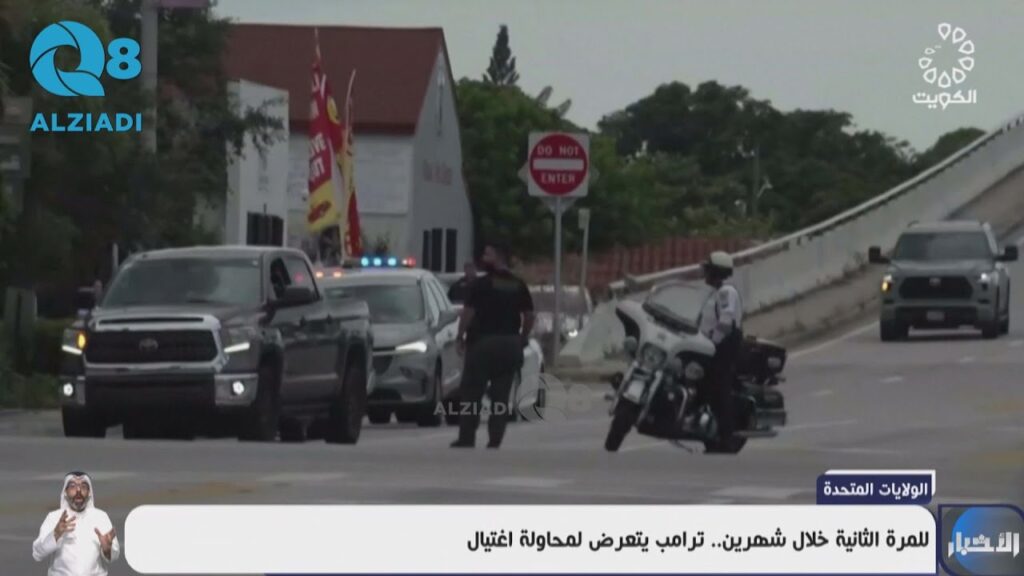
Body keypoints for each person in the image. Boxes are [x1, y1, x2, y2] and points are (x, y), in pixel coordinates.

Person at [452, 243, 534, 449]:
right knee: (501, 395)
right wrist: (522, 337)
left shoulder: (481, 284)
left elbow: (468, 313)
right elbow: (529, 315)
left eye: (488, 254)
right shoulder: (518, 284)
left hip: (482, 344)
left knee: (471, 392)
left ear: (499, 257)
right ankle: (495, 438)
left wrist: (460, 336)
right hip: (509, 345)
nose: (483, 258)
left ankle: (467, 437)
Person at [33, 471, 120, 576]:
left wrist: (107, 549)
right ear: (65, 492)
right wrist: (55, 534)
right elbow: (37, 554)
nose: (78, 490)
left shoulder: (100, 517)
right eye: (72, 486)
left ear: (89, 492)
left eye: (83, 487)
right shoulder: (54, 517)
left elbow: (113, 556)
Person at [697, 251, 744, 444]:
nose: (705, 273)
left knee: (718, 384)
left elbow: (725, 322)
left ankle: (726, 434)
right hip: (712, 343)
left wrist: (712, 343)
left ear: (716, 272)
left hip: (725, 345)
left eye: (708, 269)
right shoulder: (713, 293)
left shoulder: (726, 292)